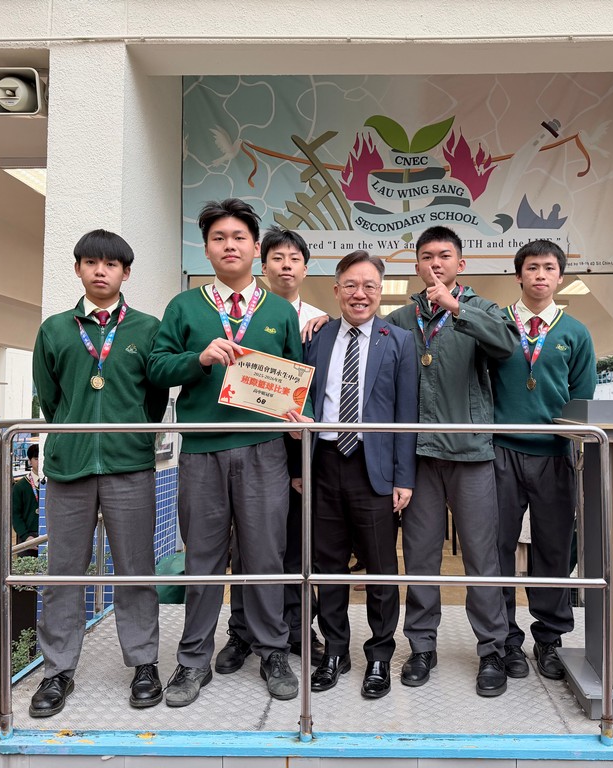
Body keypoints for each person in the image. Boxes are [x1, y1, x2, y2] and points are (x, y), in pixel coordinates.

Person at [148, 198, 306, 705]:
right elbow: (157, 368)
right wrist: (197, 358)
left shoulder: (279, 311)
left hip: (264, 451)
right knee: (203, 560)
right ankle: (193, 659)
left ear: (256, 248)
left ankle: (273, 651)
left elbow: (296, 379)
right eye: (219, 238)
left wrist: (298, 418)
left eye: (239, 237)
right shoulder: (184, 307)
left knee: (265, 557)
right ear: (207, 249)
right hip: (201, 453)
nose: (229, 245)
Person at [30, 229, 167, 718]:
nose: (100, 271)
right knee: (63, 572)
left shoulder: (147, 329)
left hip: (129, 464)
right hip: (69, 467)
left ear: (126, 273)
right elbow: (49, 398)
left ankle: (144, 663)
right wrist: (74, 434)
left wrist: (132, 435)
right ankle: (57, 670)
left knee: (136, 570)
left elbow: (154, 398)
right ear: (78, 269)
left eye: (111, 264)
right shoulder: (55, 329)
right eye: (91, 263)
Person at [385, 225, 519, 697]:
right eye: (427, 257)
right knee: (420, 558)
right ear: (417, 265)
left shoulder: (484, 310)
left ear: (460, 264)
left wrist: (457, 309)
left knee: (482, 558)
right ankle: (422, 646)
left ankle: (492, 649)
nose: (435, 264)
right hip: (419, 455)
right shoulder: (401, 318)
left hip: (471, 452)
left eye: (444, 256)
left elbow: (507, 347)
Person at [289, 250, 417, 699]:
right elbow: (301, 402)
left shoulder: (398, 341)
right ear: (336, 289)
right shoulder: (316, 337)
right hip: (323, 463)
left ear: (380, 292)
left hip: (373, 467)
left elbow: (406, 414)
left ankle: (379, 654)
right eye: (350, 285)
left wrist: (404, 477)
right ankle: (335, 651)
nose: (359, 294)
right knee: (328, 567)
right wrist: (299, 467)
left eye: (369, 286)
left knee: (381, 567)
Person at [220, 225, 327, 674]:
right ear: (262, 265)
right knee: (246, 547)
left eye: (294, 259)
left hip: (299, 451)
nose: (286, 266)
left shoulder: (322, 323)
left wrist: (303, 461)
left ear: (306, 268)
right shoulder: (242, 314)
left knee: (295, 547)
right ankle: (241, 631)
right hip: (252, 447)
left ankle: (297, 628)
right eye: (277, 258)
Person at [491, 239, 597, 680]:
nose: (540, 275)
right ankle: (503, 641)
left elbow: (583, 396)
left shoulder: (575, 333)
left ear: (560, 276)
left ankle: (550, 639)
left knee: (553, 549)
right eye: (532, 267)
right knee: (496, 548)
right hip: (499, 451)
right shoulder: (497, 323)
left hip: (555, 452)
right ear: (518, 275)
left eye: (549, 268)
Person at [12, 444, 41, 558]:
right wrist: (26, 536)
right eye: (36, 459)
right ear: (29, 461)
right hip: (27, 537)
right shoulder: (20, 486)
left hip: (50, 535)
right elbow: (15, 515)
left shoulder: (54, 485)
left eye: (42, 458)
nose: (40, 462)